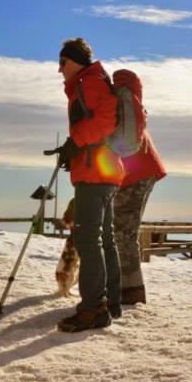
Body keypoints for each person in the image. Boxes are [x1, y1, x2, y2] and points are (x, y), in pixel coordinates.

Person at [55, 37, 126, 333]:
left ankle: (93, 309)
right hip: (105, 171)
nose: (59, 69)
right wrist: (73, 150)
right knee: (104, 238)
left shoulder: (90, 82)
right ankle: (109, 302)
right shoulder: (93, 81)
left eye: (63, 62)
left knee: (87, 239)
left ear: (76, 61)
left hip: (95, 174)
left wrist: (75, 142)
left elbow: (106, 119)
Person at [112, 69, 167, 307]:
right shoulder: (131, 101)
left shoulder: (124, 99)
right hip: (142, 171)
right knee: (123, 230)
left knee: (124, 231)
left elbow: (124, 142)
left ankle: (132, 291)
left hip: (137, 174)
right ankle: (127, 287)